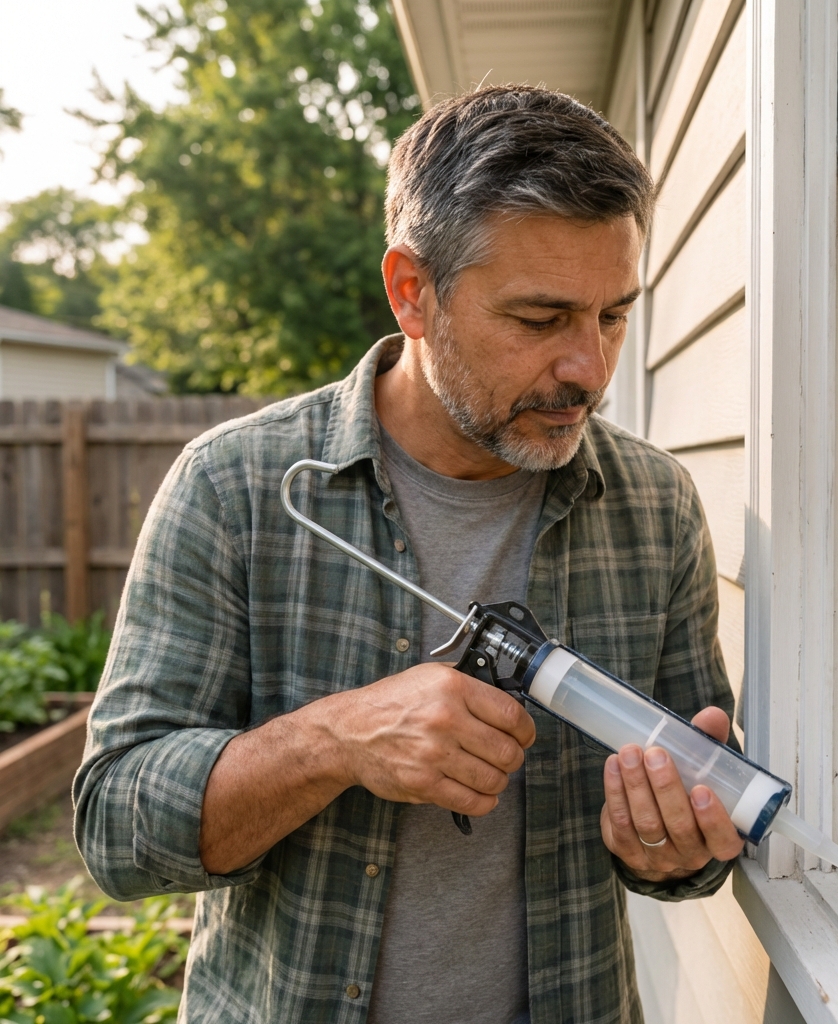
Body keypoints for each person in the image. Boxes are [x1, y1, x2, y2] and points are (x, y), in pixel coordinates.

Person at [74, 86, 744, 1024]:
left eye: (614, 316)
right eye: (540, 319)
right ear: (411, 291)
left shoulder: (654, 507)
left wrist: (673, 848)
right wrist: (334, 741)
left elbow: (691, 853)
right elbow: (114, 827)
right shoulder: (236, 489)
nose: (588, 369)